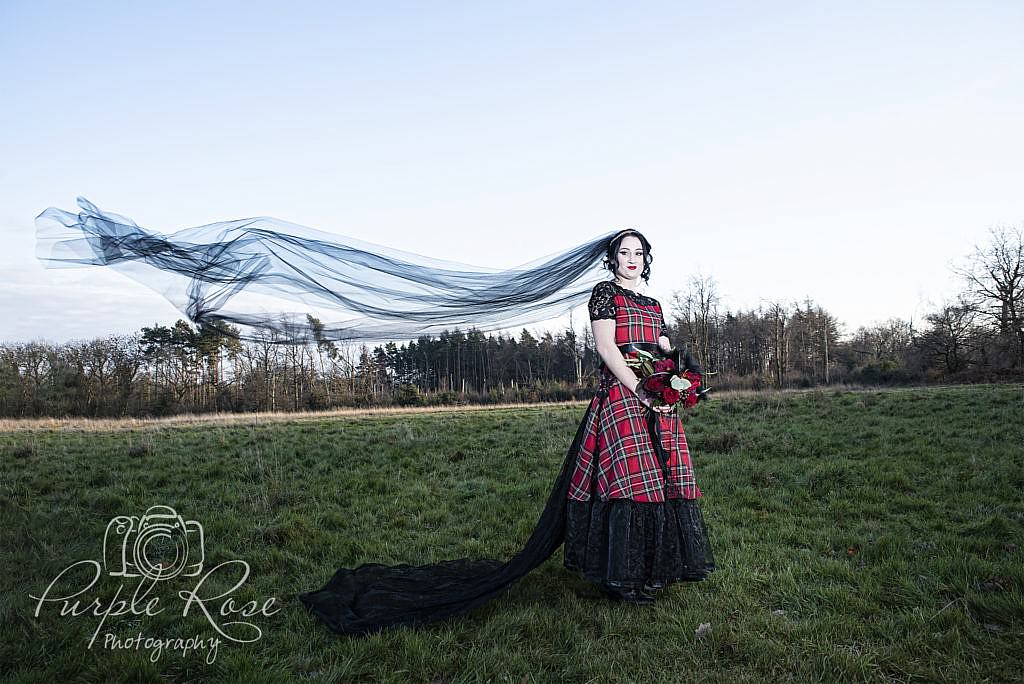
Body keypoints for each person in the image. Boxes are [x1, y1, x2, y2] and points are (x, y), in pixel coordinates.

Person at [562, 230, 716, 605]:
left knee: (664, 481)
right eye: (624, 252)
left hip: (659, 398)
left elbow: (664, 348)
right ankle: (621, 578)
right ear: (612, 258)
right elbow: (606, 348)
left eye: (639, 253)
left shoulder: (653, 304)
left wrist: (681, 381)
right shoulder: (604, 293)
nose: (632, 258)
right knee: (633, 481)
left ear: (647, 259)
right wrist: (641, 389)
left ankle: (653, 572)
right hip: (623, 394)